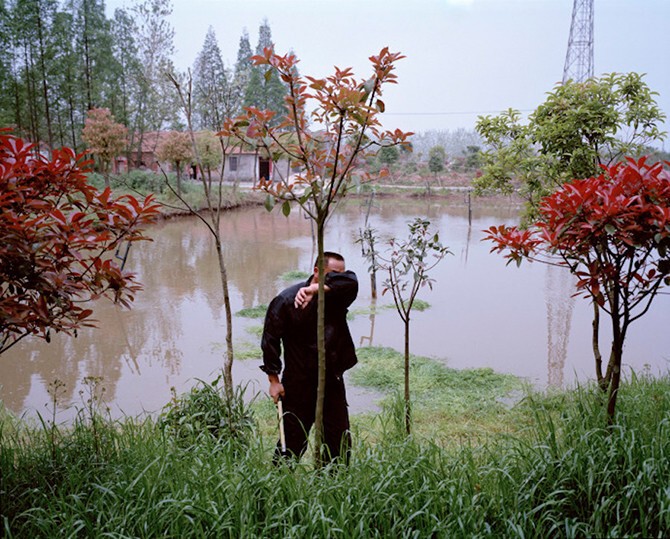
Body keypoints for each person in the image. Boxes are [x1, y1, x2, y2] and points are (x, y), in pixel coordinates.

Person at [260, 251, 358, 465]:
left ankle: (333, 487)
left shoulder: (338, 295)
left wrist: (315, 289)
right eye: (331, 274)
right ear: (316, 271)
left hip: (332, 380)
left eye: (339, 275)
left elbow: (350, 282)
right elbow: (270, 340)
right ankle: (279, 488)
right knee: (292, 441)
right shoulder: (286, 300)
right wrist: (274, 381)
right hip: (299, 382)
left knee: (338, 441)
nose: (336, 279)